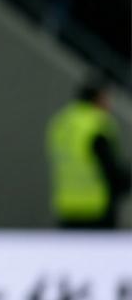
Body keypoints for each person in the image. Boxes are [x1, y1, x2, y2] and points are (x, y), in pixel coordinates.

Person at [47, 77, 130, 229]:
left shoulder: (61, 122)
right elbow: (111, 171)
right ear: (99, 98)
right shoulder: (95, 125)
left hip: (67, 206)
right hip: (96, 209)